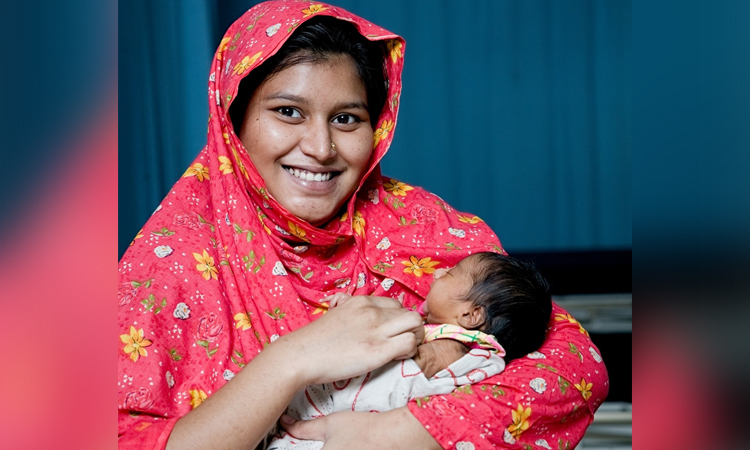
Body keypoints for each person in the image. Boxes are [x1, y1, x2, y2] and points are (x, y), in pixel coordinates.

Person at [118, 2, 609, 450]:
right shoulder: (172, 261)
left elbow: (572, 368)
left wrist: (388, 435)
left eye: (347, 119)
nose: (321, 147)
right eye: (288, 112)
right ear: (233, 118)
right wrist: (293, 360)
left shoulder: (423, 225)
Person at [268, 252, 552, 450]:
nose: (438, 271)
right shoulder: (442, 333)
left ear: (470, 315)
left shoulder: (457, 347)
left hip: (350, 421)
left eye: (451, 273)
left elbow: (407, 362)